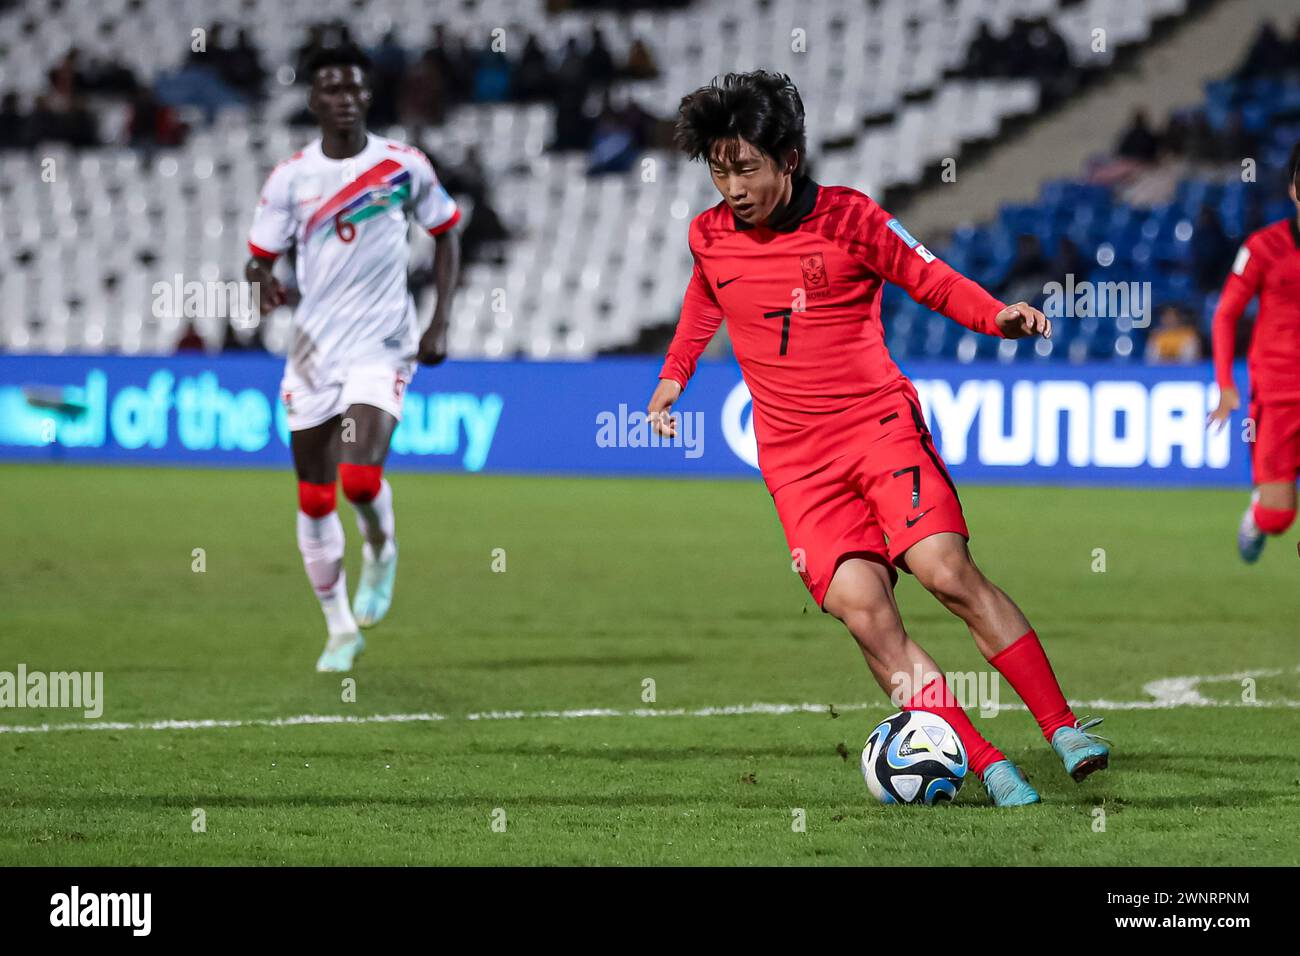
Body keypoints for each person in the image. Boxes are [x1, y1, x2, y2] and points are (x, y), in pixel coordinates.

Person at [646, 72, 1109, 806]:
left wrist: (998, 317)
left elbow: (931, 279)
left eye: (747, 169)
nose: (731, 187)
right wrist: (675, 375)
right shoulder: (707, 235)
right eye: (719, 169)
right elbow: (706, 296)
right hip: (796, 465)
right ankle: (986, 761)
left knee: (947, 571)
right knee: (865, 611)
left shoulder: (852, 219)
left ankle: (1062, 727)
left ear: (788, 158)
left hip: (875, 426)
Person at [245, 44, 462, 672]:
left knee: (359, 477)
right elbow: (259, 257)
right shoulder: (290, 178)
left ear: (368, 97)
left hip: (383, 344)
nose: (343, 99)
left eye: (353, 89)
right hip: (314, 350)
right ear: (314, 102)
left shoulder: (403, 166)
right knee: (314, 498)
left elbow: (447, 231)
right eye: (330, 90)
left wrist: (439, 320)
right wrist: (262, 282)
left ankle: (382, 547)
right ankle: (340, 628)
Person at [1208, 143, 1300, 563]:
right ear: (1295, 191)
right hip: (1279, 395)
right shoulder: (1264, 247)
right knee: (1278, 517)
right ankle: (1258, 515)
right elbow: (1225, 315)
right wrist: (1226, 384)